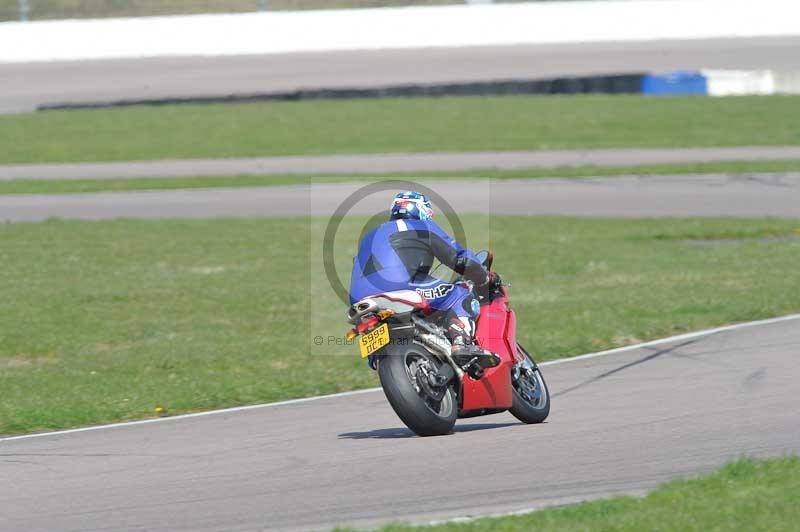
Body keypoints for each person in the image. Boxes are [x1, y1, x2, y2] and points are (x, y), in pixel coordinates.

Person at [349, 191, 501, 376]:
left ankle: (378, 357)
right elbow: (459, 259)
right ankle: (461, 345)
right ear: (422, 210)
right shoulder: (421, 226)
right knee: (460, 295)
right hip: (399, 287)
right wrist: (484, 277)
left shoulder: (370, 235)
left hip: (358, 300)